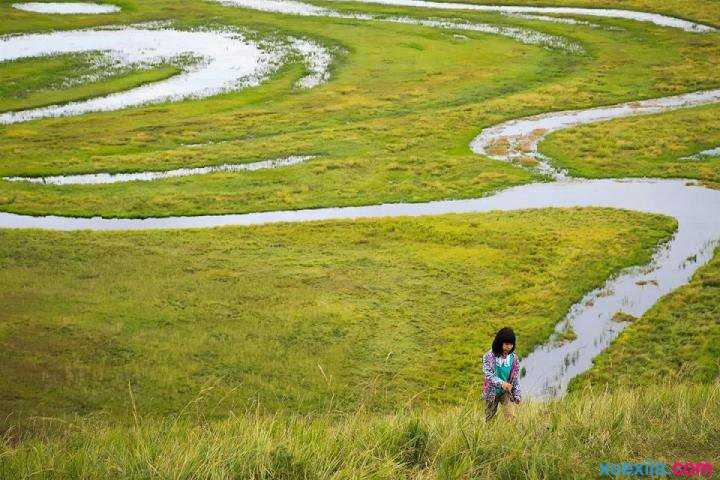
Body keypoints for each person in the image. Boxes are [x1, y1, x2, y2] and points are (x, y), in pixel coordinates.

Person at [482, 327, 521, 421]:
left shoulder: (514, 358)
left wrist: (517, 394)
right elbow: (489, 375)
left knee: (511, 418)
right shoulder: (489, 357)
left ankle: (510, 434)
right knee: (490, 419)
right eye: (506, 344)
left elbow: (515, 377)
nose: (509, 347)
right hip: (491, 393)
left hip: (506, 393)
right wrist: (502, 384)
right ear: (500, 343)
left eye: (511, 344)